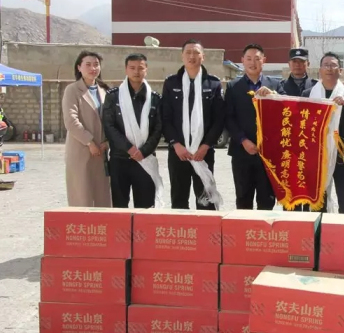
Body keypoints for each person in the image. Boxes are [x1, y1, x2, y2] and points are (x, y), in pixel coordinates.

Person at [162, 39, 225, 210]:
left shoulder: (213, 83)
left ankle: (206, 228)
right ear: (182, 56)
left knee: (206, 201)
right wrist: (176, 144)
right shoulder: (171, 83)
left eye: (196, 52)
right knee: (179, 200)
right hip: (178, 153)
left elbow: (219, 119)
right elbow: (165, 118)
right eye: (188, 52)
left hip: (203, 153)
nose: (192, 56)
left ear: (203, 57)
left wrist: (205, 146)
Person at [303, 51, 344, 214]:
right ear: (320, 70)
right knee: (318, 201)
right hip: (317, 155)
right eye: (326, 65)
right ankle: (320, 230)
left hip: (343, 155)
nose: (329, 68)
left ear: (341, 70)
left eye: (333, 65)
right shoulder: (308, 94)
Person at [226, 43, 285, 210]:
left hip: (268, 153)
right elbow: (228, 118)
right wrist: (243, 140)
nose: (253, 63)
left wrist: (273, 96)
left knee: (267, 199)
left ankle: (264, 227)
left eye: (257, 59)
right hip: (242, 152)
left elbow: (286, 110)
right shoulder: (233, 87)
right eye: (249, 58)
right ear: (242, 61)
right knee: (243, 198)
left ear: (264, 60)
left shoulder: (275, 85)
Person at [102, 53, 163, 209]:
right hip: (120, 158)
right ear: (126, 69)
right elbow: (109, 126)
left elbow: (158, 128)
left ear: (146, 69)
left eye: (140, 68)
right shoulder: (113, 96)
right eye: (132, 68)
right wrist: (129, 148)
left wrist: (143, 151)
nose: (136, 71)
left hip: (145, 159)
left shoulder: (155, 98)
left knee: (145, 208)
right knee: (119, 206)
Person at [62, 50, 111, 207]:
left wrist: (106, 142)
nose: (93, 68)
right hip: (81, 150)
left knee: (102, 197)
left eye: (96, 64)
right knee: (82, 197)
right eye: (88, 64)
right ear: (79, 67)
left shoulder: (105, 91)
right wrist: (90, 142)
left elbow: (111, 121)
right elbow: (71, 121)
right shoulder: (72, 90)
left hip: (101, 152)